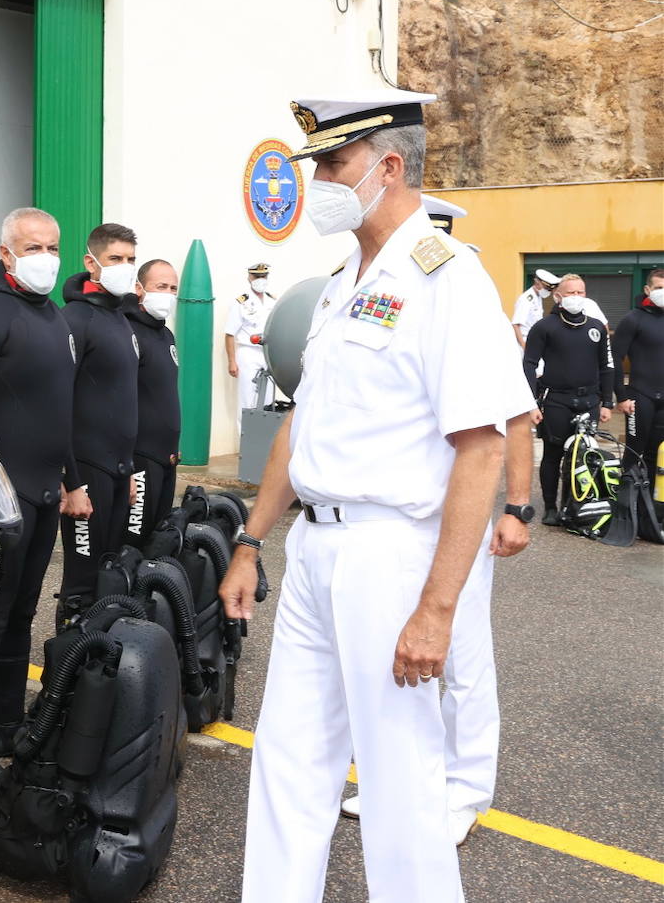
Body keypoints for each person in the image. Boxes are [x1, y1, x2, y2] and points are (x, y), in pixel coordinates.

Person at [220, 90, 532, 903]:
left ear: (389, 167)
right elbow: (301, 427)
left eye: (332, 161)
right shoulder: (339, 284)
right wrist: (252, 540)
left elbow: (483, 447)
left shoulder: (447, 279)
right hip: (316, 549)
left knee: (401, 777)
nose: (317, 178)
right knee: (287, 758)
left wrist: (437, 607)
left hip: (389, 551)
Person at [341, 198, 537, 844]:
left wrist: (516, 505)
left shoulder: (462, 292)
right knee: (393, 658)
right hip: (391, 519)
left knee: (462, 659)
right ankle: (398, 781)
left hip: (453, 518)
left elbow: (512, 415)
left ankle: (466, 788)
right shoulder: (377, 289)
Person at [0, 206, 79, 792]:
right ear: (5, 254)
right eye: (32, 248)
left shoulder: (54, 317)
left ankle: (8, 720)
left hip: (44, 491)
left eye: (52, 247)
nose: (45, 259)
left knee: (21, 615)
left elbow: (62, 409)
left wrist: (71, 481)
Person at [57, 223, 141, 607]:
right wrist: (71, 481)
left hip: (118, 471)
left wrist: (128, 470)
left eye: (130, 260)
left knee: (109, 572)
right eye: (115, 259)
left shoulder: (120, 317)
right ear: (91, 263)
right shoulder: (75, 319)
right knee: (82, 580)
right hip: (86, 471)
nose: (125, 266)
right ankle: (70, 662)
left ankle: (99, 658)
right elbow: (57, 401)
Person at [524, 273, 615, 526]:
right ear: (558, 296)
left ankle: (572, 504)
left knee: (583, 454)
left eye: (580, 292)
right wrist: (531, 403)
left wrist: (607, 402)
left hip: (589, 401)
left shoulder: (596, 326)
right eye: (570, 293)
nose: (576, 297)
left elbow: (606, 365)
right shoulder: (544, 327)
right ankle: (551, 507)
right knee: (553, 455)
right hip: (556, 401)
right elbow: (529, 364)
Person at [124, 258, 182, 548]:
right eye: (160, 286)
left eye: (173, 288)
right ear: (139, 288)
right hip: (141, 458)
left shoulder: (166, 334)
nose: (168, 294)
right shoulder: (129, 332)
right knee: (133, 543)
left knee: (156, 541)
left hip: (166, 457)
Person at [612, 268, 664, 494]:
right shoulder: (633, 319)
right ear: (647, 289)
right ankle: (625, 506)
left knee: (657, 453)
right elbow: (614, 358)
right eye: (659, 288)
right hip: (640, 395)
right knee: (634, 452)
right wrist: (621, 396)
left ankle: (650, 509)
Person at [224, 263, 278, 430]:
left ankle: (264, 446)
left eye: (264, 276)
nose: (260, 280)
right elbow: (229, 334)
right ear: (249, 277)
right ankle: (245, 449)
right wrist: (232, 361)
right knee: (247, 400)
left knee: (269, 400)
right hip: (248, 353)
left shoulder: (272, 301)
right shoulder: (242, 302)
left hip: (268, 353)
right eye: (256, 276)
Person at [512, 269, 558, 349]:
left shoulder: (538, 297)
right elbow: (516, 325)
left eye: (550, 289)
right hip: (524, 340)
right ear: (537, 282)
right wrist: (524, 347)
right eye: (546, 288)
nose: (548, 291)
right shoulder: (526, 299)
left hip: (534, 339)